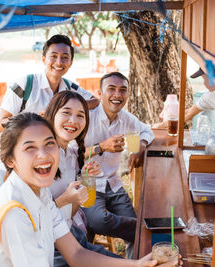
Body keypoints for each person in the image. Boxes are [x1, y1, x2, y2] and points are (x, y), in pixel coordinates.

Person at [0, 112, 180, 267]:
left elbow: (76, 254)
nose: (43, 155)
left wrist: (137, 265)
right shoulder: (14, 212)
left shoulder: (39, 192)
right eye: (30, 147)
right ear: (10, 160)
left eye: (49, 144)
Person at [0, 34, 99, 196]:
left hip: (41, 161)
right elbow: (0, 125)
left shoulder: (69, 88)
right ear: (43, 59)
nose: (58, 62)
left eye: (65, 57)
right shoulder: (24, 84)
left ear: (70, 62)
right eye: (53, 56)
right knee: (3, 209)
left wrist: (67, 107)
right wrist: (33, 118)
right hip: (13, 161)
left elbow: (95, 100)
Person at [44, 91, 121, 266]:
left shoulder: (71, 152)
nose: (73, 120)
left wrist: (83, 179)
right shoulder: (41, 157)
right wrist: (65, 199)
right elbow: (32, 220)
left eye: (80, 115)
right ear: (52, 113)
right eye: (66, 112)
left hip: (70, 234)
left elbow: (69, 213)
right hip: (47, 247)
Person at [82, 72, 155, 258]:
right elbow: (72, 154)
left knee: (138, 238)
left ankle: (135, 253)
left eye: (123, 90)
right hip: (87, 182)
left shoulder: (126, 118)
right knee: (98, 221)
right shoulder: (85, 118)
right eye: (111, 89)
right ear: (100, 93)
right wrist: (102, 147)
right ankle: (140, 227)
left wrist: (140, 147)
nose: (117, 95)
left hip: (113, 184)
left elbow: (147, 131)